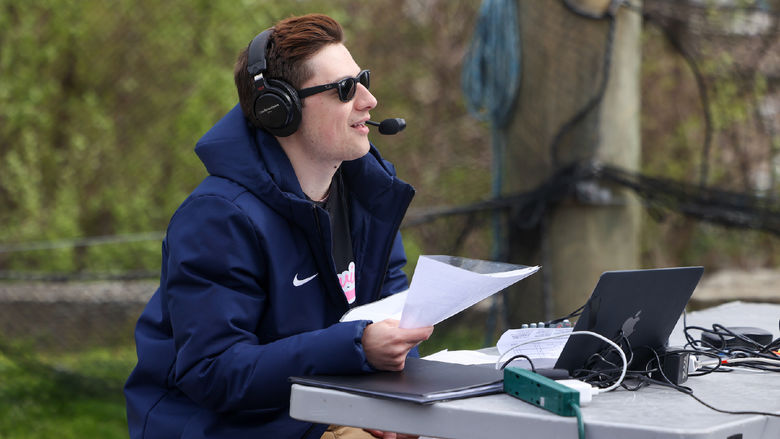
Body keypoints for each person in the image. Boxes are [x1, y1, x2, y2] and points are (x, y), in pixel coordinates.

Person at [124, 13, 433, 439]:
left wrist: (393, 404)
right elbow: (214, 372)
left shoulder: (368, 197)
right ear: (279, 109)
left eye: (362, 79)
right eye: (345, 89)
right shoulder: (218, 218)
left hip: (331, 410)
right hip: (237, 427)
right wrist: (358, 347)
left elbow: (395, 316)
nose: (368, 100)